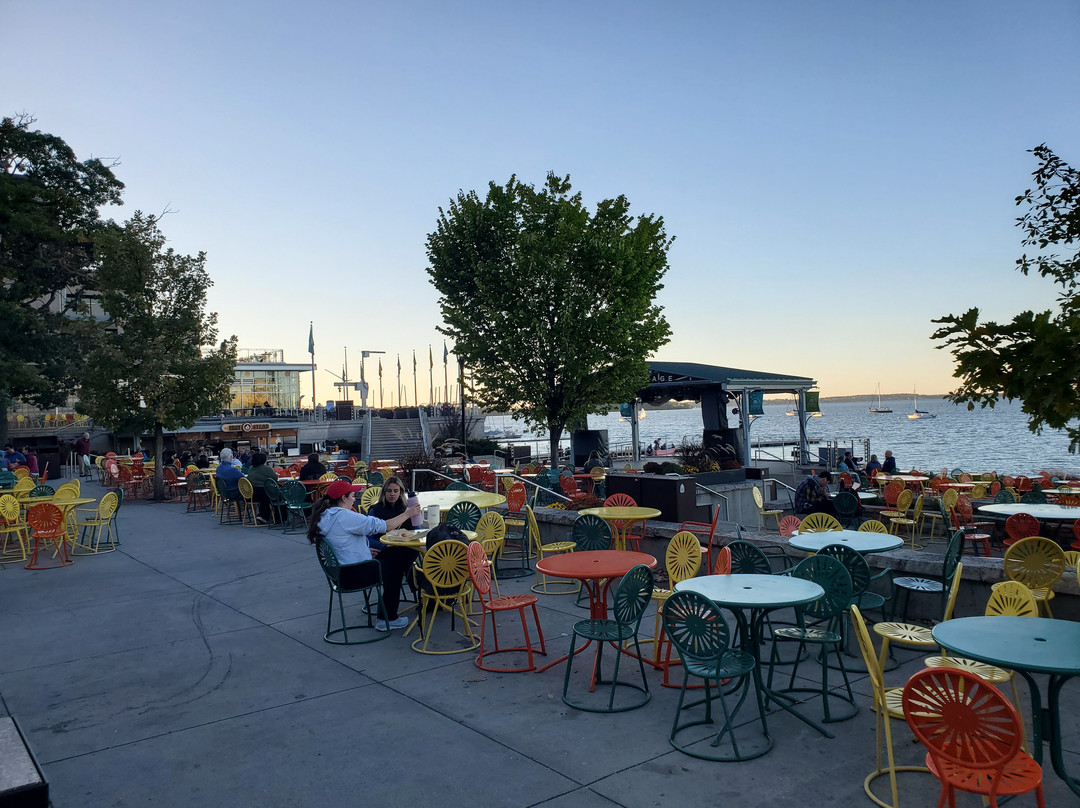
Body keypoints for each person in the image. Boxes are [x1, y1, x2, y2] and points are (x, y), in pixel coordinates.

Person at [306, 480, 423, 631]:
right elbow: (385, 526)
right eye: (353, 496)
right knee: (395, 567)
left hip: (340, 573)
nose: (354, 499)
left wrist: (365, 551)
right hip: (354, 575)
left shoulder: (325, 516)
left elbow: (341, 543)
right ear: (343, 498)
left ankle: (413, 585)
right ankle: (388, 617)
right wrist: (408, 514)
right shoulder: (345, 517)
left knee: (395, 555)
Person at [366, 476, 422, 601]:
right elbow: (368, 539)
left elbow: (417, 531)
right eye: (389, 491)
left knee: (400, 562)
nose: (392, 494)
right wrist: (386, 545)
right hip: (385, 551)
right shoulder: (375, 510)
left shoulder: (407, 508)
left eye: (396, 491)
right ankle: (420, 585)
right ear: (384, 492)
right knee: (397, 566)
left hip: (406, 550)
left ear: (401, 492)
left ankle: (416, 579)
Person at [245, 452, 277, 525]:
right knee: (276, 495)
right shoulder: (266, 469)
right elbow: (275, 478)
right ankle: (277, 517)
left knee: (265, 496)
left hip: (250, 494)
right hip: (263, 493)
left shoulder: (251, 469)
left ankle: (263, 516)